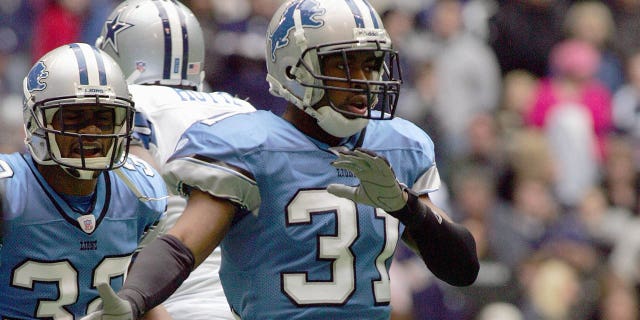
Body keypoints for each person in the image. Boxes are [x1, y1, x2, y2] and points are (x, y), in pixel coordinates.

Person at [82, 0, 479, 319]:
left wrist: (407, 207)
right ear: (294, 69)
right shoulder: (250, 146)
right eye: (344, 64)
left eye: (370, 63)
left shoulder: (397, 145)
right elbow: (182, 244)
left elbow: (463, 269)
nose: (364, 80)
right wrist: (133, 298)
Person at [95, 0, 256, 319]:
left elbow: (121, 221)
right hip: (250, 304)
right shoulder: (240, 108)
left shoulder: (124, 107)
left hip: (164, 299)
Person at [0, 43, 170, 319]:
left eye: (104, 119)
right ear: (37, 122)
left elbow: (143, 297)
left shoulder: (141, 192)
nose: (91, 132)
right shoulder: (9, 192)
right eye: (74, 119)